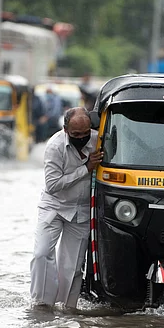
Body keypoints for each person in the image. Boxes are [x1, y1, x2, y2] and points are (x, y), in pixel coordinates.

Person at [30, 107, 103, 309]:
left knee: (72, 266)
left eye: (85, 133)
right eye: (76, 134)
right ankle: (41, 305)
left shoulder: (98, 141)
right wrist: (86, 168)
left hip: (81, 209)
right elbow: (53, 185)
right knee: (41, 253)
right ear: (65, 129)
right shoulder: (55, 146)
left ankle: (67, 308)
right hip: (54, 205)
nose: (81, 138)